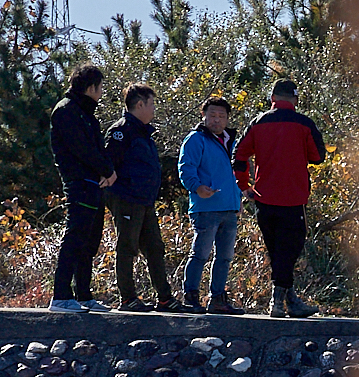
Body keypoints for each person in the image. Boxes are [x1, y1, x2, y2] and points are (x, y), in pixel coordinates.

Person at [234, 76, 328, 318]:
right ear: (295, 100)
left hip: (264, 196)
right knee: (290, 249)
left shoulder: (257, 123)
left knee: (277, 250)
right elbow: (318, 156)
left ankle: (288, 299)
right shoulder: (304, 123)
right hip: (294, 197)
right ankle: (279, 301)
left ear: (272, 98)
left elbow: (239, 156)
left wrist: (243, 186)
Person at [46, 64, 117, 313]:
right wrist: (107, 171)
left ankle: (84, 295)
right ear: (90, 87)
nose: (101, 93)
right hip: (79, 183)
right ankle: (61, 296)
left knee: (90, 241)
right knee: (75, 238)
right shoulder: (66, 111)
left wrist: (108, 172)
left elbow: (99, 149)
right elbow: (81, 149)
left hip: (95, 184)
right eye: (99, 88)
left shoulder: (87, 114)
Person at [106, 86, 179, 312]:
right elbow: (108, 164)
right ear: (140, 104)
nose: (154, 109)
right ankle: (127, 298)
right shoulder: (121, 131)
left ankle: (165, 298)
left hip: (144, 199)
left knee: (155, 247)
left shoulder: (144, 133)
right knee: (127, 246)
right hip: (127, 197)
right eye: (152, 104)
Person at [179, 95, 245, 313]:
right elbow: (186, 168)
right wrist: (197, 187)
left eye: (221, 116)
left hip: (229, 207)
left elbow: (236, 173)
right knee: (200, 254)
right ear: (203, 115)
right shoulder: (195, 139)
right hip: (205, 208)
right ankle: (190, 296)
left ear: (227, 119)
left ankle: (217, 299)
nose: (217, 120)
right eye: (212, 115)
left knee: (225, 257)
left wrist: (239, 197)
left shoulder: (232, 142)